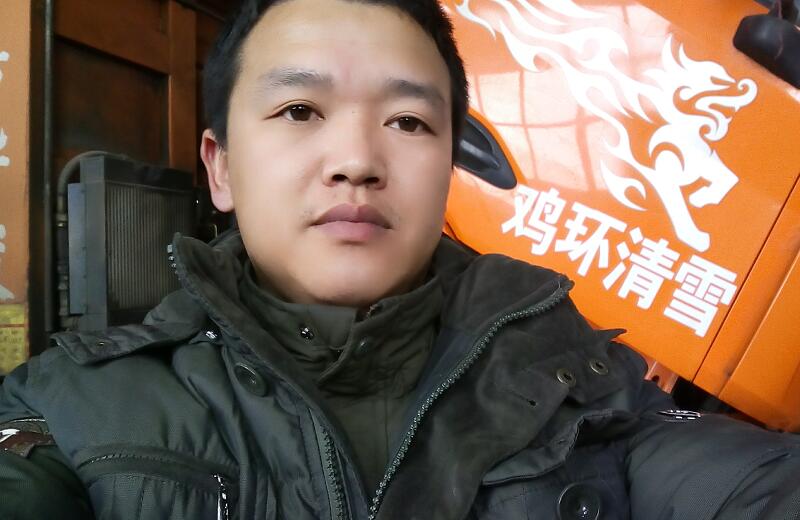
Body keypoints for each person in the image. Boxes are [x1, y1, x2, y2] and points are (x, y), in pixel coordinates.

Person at [1, 0, 799, 518]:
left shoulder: (586, 390)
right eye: (300, 109)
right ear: (222, 168)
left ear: (449, 166)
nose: (356, 160)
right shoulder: (72, 407)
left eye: (409, 122)